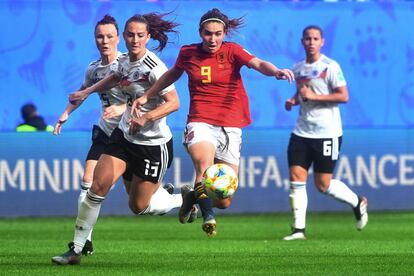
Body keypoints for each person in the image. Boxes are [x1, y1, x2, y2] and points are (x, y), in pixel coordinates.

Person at [132, 8, 294, 237]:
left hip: (231, 126)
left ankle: (190, 198)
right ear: (200, 32)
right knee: (204, 168)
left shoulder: (233, 51)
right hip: (200, 122)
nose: (213, 39)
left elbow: (258, 63)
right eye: (208, 33)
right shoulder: (188, 53)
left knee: (225, 199)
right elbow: (171, 75)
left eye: (218, 33)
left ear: (224, 33)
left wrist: (276, 71)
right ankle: (208, 217)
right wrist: (148, 95)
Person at [52, 13, 183, 265]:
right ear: (124, 36)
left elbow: (174, 103)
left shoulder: (154, 67)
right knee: (95, 187)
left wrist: (146, 118)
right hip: (123, 137)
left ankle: (180, 198)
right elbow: (115, 77)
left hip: (152, 145)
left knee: (139, 206)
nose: (135, 39)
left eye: (140, 35)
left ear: (148, 37)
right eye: (130, 35)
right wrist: (87, 91)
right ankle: (76, 249)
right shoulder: (123, 62)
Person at [53, 14, 131, 256]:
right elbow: (82, 93)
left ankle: (176, 198)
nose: (104, 41)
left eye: (109, 36)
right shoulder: (94, 69)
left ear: (118, 38)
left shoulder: (128, 65)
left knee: (142, 203)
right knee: (87, 181)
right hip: (106, 132)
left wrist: (122, 108)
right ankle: (84, 241)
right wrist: (65, 114)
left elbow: (149, 98)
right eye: (100, 36)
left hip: (130, 134)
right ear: (95, 39)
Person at [283, 25, 368, 241]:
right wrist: (294, 100)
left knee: (323, 185)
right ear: (302, 41)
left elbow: (343, 96)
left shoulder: (331, 66)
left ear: (322, 42)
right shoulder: (298, 68)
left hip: (327, 132)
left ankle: (357, 202)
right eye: (308, 39)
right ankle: (298, 230)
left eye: (315, 39)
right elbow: (303, 92)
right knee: (296, 178)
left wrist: (314, 97)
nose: (311, 42)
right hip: (301, 132)